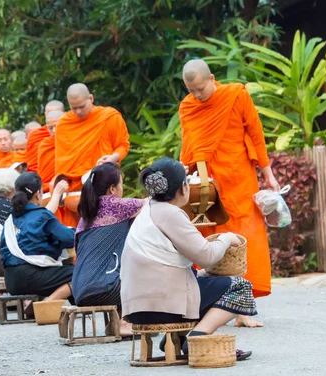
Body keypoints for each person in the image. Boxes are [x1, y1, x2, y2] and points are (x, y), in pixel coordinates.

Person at [120, 158, 255, 360]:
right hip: (162, 307)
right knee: (240, 286)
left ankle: (179, 337)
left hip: (138, 307)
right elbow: (207, 256)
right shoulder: (170, 214)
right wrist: (226, 238)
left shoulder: (147, 210)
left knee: (205, 280)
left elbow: (165, 262)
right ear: (183, 187)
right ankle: (197, 338)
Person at [179, 59, 279, 327]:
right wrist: (184, 179)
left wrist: (267, 173)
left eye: (201, 89)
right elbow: (188, 144)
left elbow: (256, 133)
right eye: (192, 91)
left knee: (247, 238)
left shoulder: (235, 95)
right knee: (211, 238)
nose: (197, 95)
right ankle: (220, 304)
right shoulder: (188, 106)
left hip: (239, 178)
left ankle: (244, 306)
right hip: (208, 183)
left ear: (211, 78)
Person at [73, 163, 144, 336]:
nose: (122, 188)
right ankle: (123, 322)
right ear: (112, 189)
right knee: (148, 276)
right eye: (120, 183)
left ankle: (116, 322)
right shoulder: (116, 205)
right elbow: (157, 204)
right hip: (103, 289)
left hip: (79, 289)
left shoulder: (86, 214)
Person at [54, 83, 130, 226]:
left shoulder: (108, 117)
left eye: (82, 106)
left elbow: (123, 145)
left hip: (103, 184)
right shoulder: (64, 124)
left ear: (91, 98)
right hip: (75, 189)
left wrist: (113, 158)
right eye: (73, 107)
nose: (78, 111)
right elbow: (61, 160)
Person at [0, 172, 74, 301]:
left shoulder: (9, 220)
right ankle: (47, 303)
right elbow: (70, 239)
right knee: (79, 272)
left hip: (11, 281)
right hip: (32, 277)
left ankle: (32, 306)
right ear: (38, 194)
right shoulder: (42, 216)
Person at [26, 100, 64, 173]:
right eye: (49, 113)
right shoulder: (36, 135)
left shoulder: (73, 133)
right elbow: (33, 165)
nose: (52, 115)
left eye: (56, 112)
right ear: (45, 114)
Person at [37, 110, 63, 193]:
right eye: (50, 128)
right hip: (47, 190)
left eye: (57, 126)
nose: (54, 131)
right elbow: (42, 173)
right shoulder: (44, 145)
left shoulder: (74, 141)